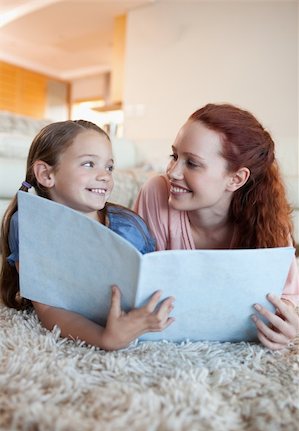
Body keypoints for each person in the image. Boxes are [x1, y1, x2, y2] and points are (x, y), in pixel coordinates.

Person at [135, 103, 299, 350]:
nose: (172, 171)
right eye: (174, 156)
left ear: (236, 179)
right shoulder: (156, 192)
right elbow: (137, 281)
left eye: (192, 163)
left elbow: (288, 298)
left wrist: (288, 326)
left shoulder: (269, 219)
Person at [0, 120, 174, 350]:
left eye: (109, 167)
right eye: (89, 164)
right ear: (45, 174)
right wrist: (104, 338)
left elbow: (153, 287)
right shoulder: (27, 223)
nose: (105, 176)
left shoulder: (128, 228)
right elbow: (49, 309)